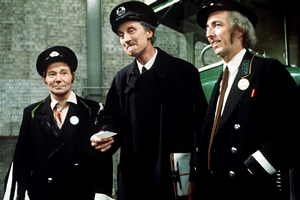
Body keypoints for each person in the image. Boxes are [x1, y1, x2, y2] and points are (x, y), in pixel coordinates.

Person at [90, 1, 208, 200]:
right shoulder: (122, 79)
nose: (126, 39)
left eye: (131, 30)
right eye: (121, 35)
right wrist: (104, 134)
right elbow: (112, 119)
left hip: (175, 178)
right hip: (134, 180)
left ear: (149, 32)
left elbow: (201, 127)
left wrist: (197, 173)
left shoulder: (183, 73)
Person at [190, 0, 300, 200]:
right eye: (207, 27)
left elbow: (294, 128)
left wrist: (254, 167)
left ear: (239, 30)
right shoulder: (222, 78)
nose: (209, 34)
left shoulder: (266, 69)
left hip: (250, 191)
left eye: (217, 25)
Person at [4, 46, 112, 200]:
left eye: (63, 73)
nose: (58, 79)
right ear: (45, 79)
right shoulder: (32, 113)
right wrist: (21, 193)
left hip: (81, 193)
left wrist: (102, 194)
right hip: (43, 193)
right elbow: (22, 159)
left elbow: (103, 160)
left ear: (72, 76)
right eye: (52, 74)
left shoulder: (93, 110)